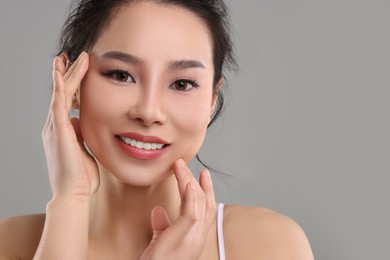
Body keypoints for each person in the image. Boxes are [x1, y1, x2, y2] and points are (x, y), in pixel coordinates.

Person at [0, 0, 314, 259]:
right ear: (72, 82)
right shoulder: (10, 244)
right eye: (121, 75)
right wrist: (70, 198)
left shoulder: (266, 244)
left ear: (212, 99)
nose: (149, 112)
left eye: (182, 83)